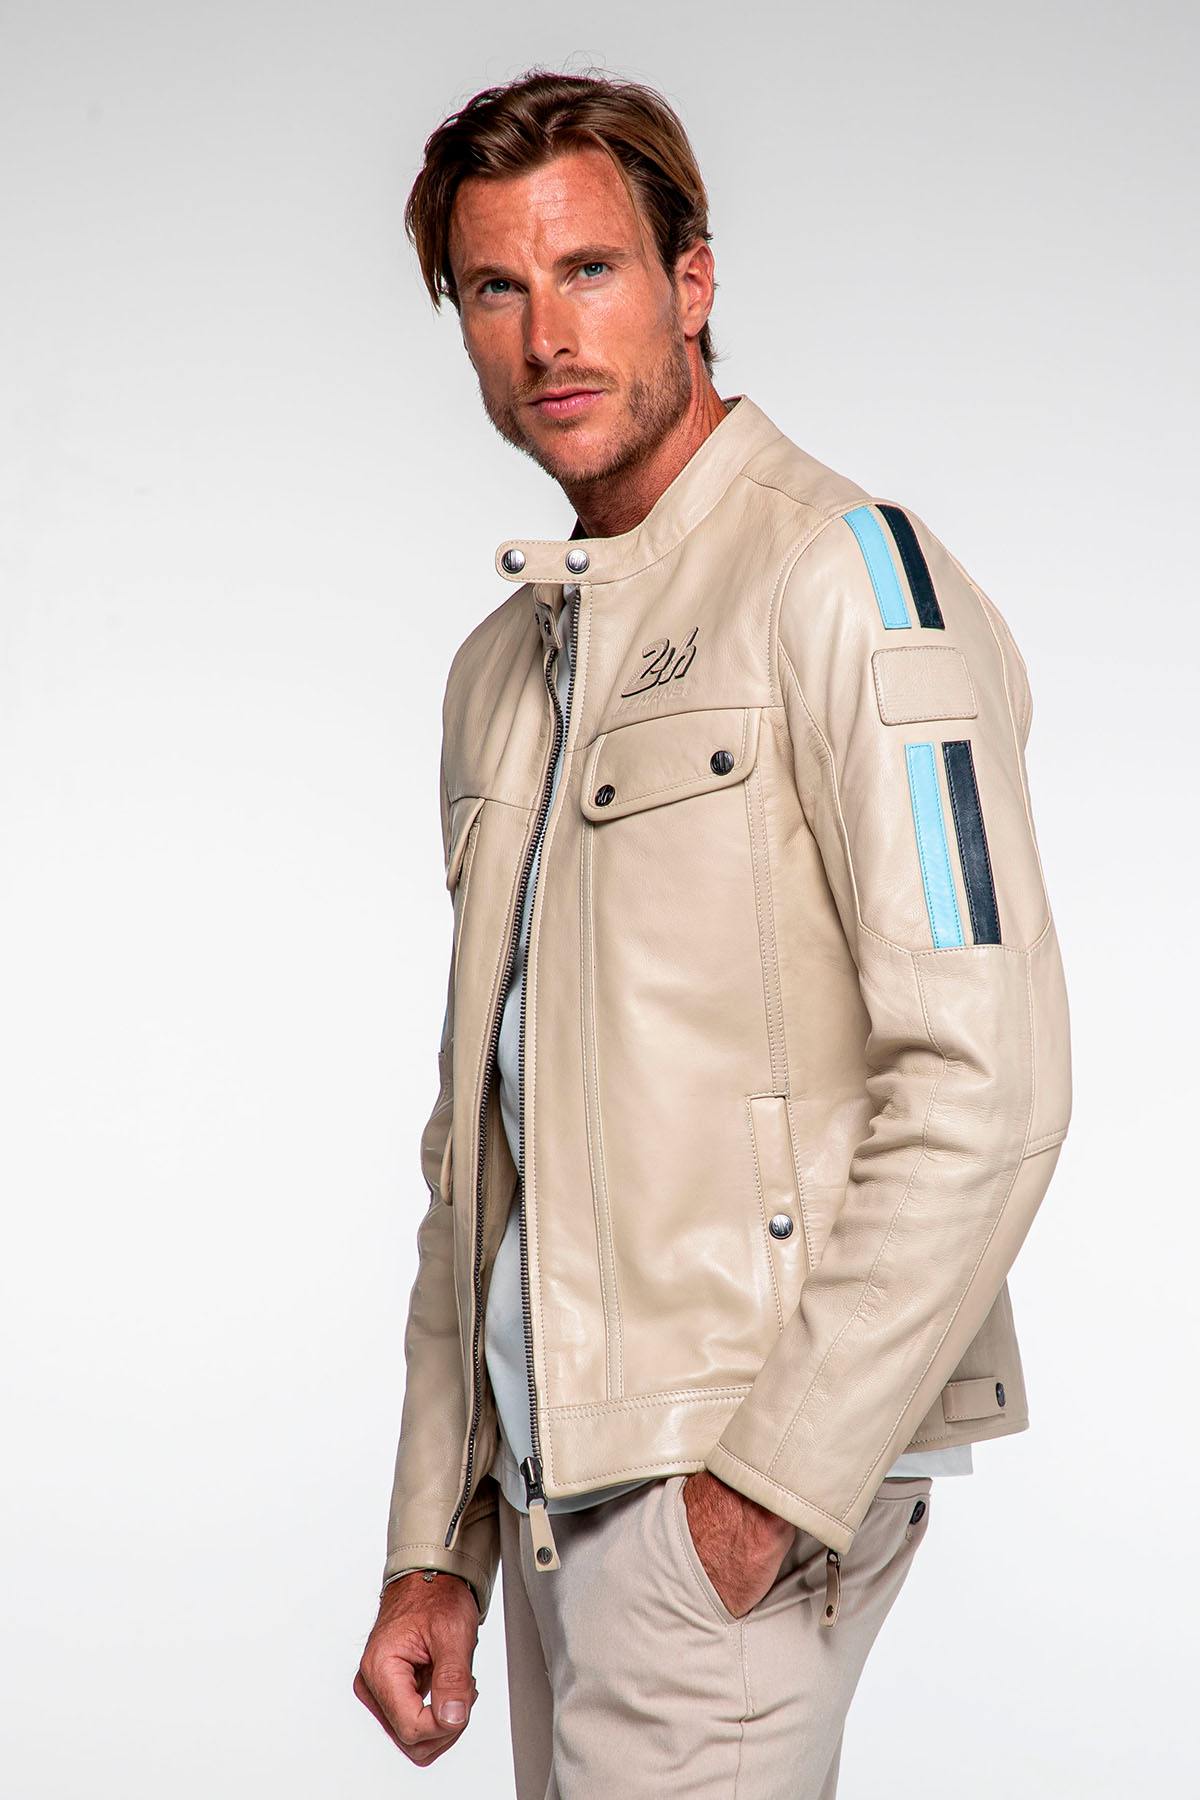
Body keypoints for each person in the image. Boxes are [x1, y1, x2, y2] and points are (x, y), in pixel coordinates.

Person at [353, 68, 1072, 1798]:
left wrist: (762, 1496)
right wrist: (436, 1537)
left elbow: (988, 1082)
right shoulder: (501, 672)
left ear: (692, 282)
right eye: (496, 288)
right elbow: (484, 1149)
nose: (547, 335)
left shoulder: (848, 578)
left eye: (590, 269)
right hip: (551, 1505)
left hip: (717, 1516)